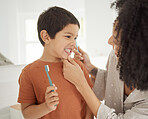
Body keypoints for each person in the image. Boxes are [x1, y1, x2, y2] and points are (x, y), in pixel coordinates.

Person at [62, 0, 148, 118]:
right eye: (113, 34)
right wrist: (90, 68)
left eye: (118, 42)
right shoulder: (115, 55)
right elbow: (110, 81)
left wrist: (81, 83)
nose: (109, 41)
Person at [17, 6, 93, 119]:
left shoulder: (78, 67)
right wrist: (46, 107)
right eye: (68, 36)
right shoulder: (29, 73)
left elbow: (88, 102)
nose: (73, 43)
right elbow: (27, 113)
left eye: (75, 38)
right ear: (46, 37)